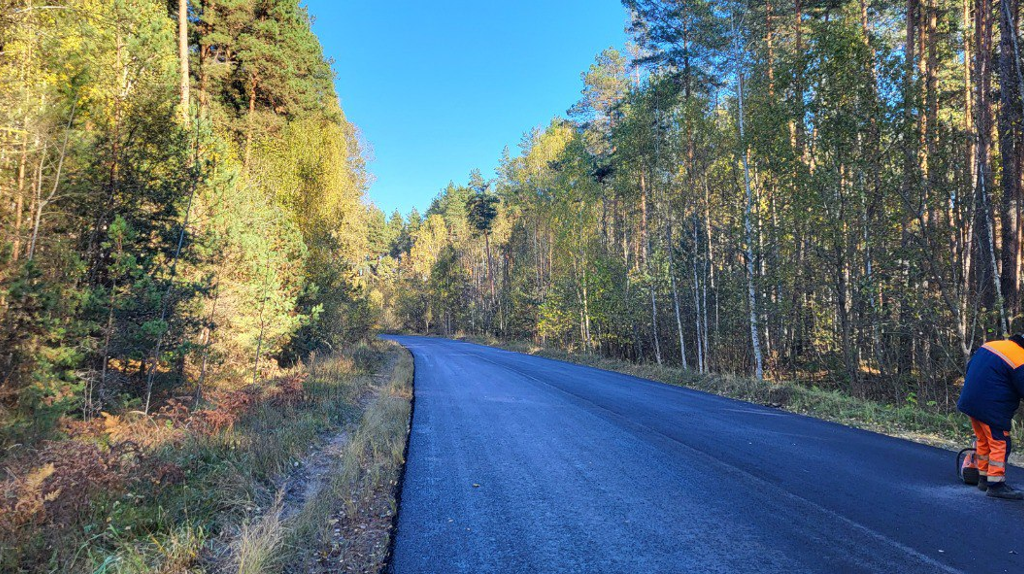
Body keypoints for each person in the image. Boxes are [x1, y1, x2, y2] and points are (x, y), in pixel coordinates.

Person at [957, 335, 1024, 500]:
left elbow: (970, 367)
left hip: (971, 401)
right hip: (992, 406)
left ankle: (984, 479)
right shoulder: (1020, 358)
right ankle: (996, 485)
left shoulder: (991, 345)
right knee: (1000, 442)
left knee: (983, 441)